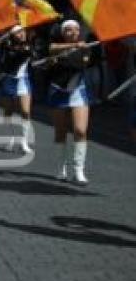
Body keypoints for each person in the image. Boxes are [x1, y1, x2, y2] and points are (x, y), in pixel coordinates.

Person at [47, 20, 95, 184]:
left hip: (77, 92)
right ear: (63, 33)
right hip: (58, 91)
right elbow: (51, 49)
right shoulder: (55, 48)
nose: (73, 32)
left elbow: (84, 63)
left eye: (76, 30)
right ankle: (61, 168)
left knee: (80, 130)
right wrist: (66, 50)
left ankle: (78, 171)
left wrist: (83, 49)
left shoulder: (84, 48)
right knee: (60, 132)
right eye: (68, 30)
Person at [0, 24, 35, 154]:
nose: (22, 34)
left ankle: (23, 142)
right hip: (9, 80)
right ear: (12, 35)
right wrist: (0, 43)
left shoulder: (29, 45)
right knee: (8, 111)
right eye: (18, 32)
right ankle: (10, 137)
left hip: (24, 80)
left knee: (25, 111)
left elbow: (30, 53)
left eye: (23, 31)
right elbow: (9, 58)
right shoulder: (6, 47)